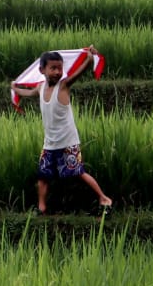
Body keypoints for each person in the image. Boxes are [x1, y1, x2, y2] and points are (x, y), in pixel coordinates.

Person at [11, 47, 113, 215]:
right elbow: (28, 93)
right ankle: (41, 208)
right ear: (42, 70)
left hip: (68, 142)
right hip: (49, 143)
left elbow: (82, 70)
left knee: (78, 173)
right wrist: (15, 89)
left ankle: (104, 198)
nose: (58, 72)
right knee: (43, 176)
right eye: (53, 68)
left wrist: (89, 56)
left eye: (60, 68)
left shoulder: (64, 85)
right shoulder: (41, 87)